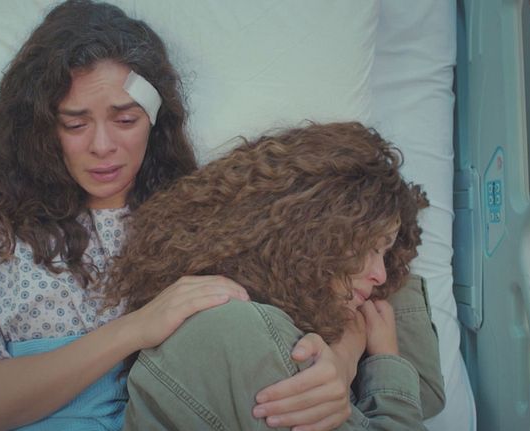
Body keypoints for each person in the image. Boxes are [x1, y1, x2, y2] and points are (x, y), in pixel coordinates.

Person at [0, 1, 359, 430]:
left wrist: (342, 362)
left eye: (126, 119)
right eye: (75, 124)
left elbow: (361, 290)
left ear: (154, 120)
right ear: (42, 128)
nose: (103, 146)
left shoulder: (198, 211)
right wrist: (134, 329)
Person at [103, 122, 446, 430]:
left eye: (385, 253)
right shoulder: (243, 333)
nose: (381, 275)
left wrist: (348, 352)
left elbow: (428, 396)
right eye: (369, 247)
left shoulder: (254, 319)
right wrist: (384, 358)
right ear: (312, 235)